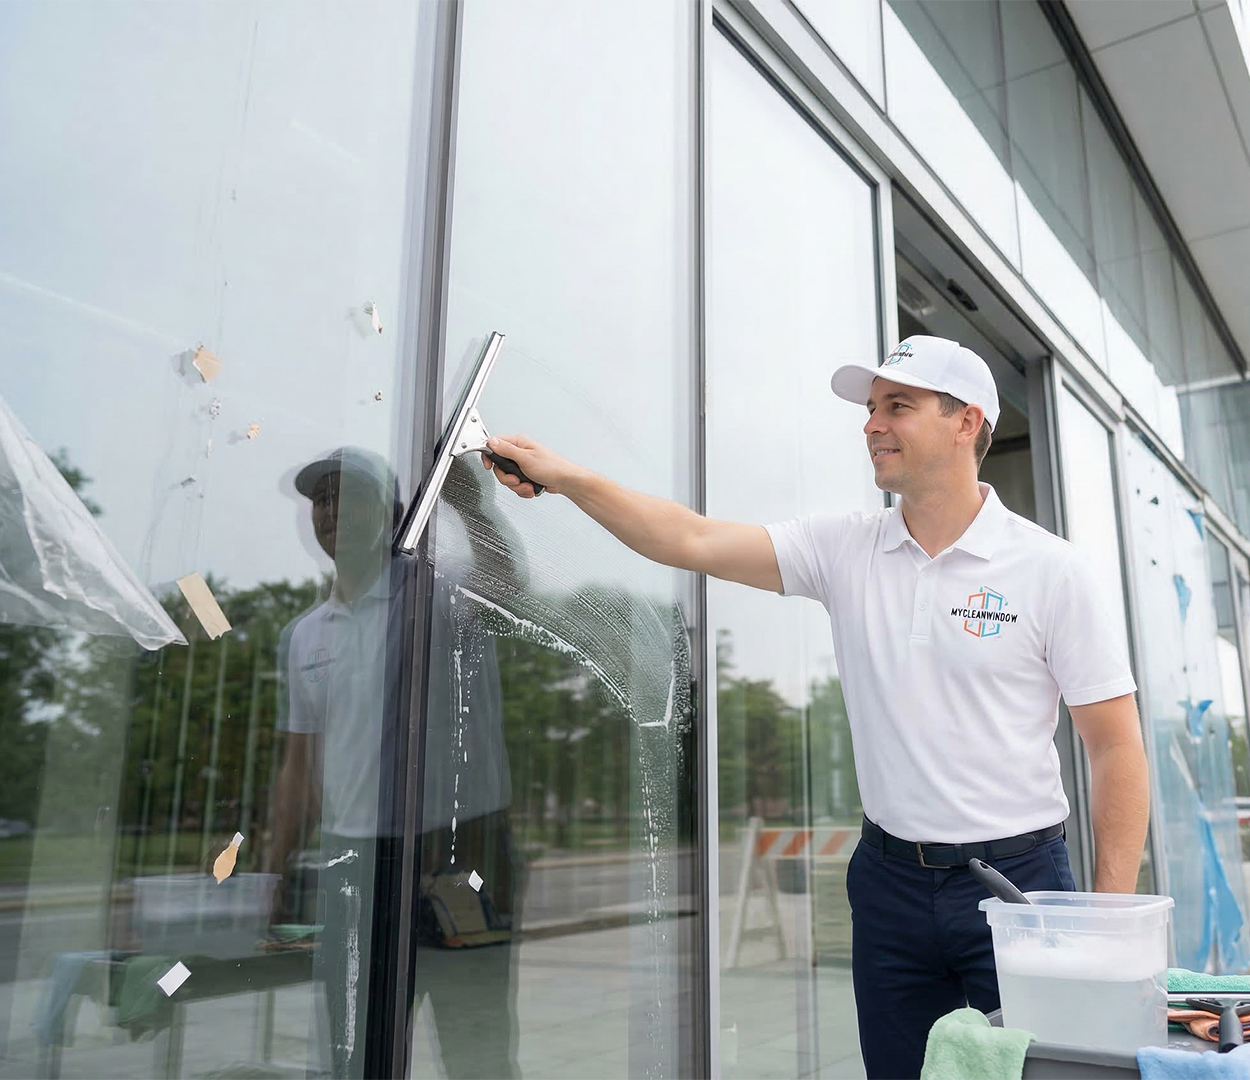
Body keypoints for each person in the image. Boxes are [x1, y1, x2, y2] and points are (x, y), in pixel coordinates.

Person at [479, 336, 1149, 1079]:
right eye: (870, 409)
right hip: (890, 883)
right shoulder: (845, 550)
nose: (872, 424)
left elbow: (1115, 746)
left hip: (1019, 885)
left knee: (1040, 1073)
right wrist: (567, 476)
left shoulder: (1052, 571)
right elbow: (688, 537)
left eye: (899, 405)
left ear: (967, 424)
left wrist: (1104, 923)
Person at [261, 447, 524, 1079]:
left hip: (460, 856)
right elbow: (300, 769)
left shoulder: (443, 594)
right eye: (321, 499)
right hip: (355, 865)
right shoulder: (307, 635)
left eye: (349, 496)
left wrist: (471, 502)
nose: (330, 510)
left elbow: (508, 586)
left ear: (392, 514)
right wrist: (270, 879)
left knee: (476, 1049)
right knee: (355, 1054)